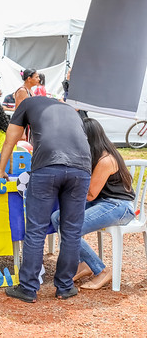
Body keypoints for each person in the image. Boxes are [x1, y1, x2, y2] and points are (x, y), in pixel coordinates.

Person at [0, 96, 91, 303]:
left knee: (36, 229)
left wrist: (2, 170)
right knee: (72, 231)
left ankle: (28, 288)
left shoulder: (25, 104)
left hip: (47, 166)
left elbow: (10, 139)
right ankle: (65, 287)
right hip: (81, 168)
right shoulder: (68, 108)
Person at [51, 118, 135, 290]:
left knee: (70, 227)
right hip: (102, 202)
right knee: (56, 217)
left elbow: (89, 194)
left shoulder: (106, 160)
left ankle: (101, 270)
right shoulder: (92, 156)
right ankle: (83, 264)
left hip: (118, 206)